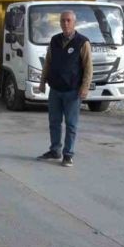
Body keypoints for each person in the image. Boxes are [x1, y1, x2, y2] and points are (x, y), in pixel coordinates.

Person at [37, 10, 93, 167]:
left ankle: (68, 154)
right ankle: (55, 150)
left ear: (74, 23)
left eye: (68, 20)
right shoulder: (54, 40)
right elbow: (48, 62)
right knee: (54, 122)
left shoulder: (82, 42)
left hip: (72, 91)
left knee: (71, 124)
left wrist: (85, 87)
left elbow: (88, 68)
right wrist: (42, 82)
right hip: (55, 90)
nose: (65, 23)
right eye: (63, 20)